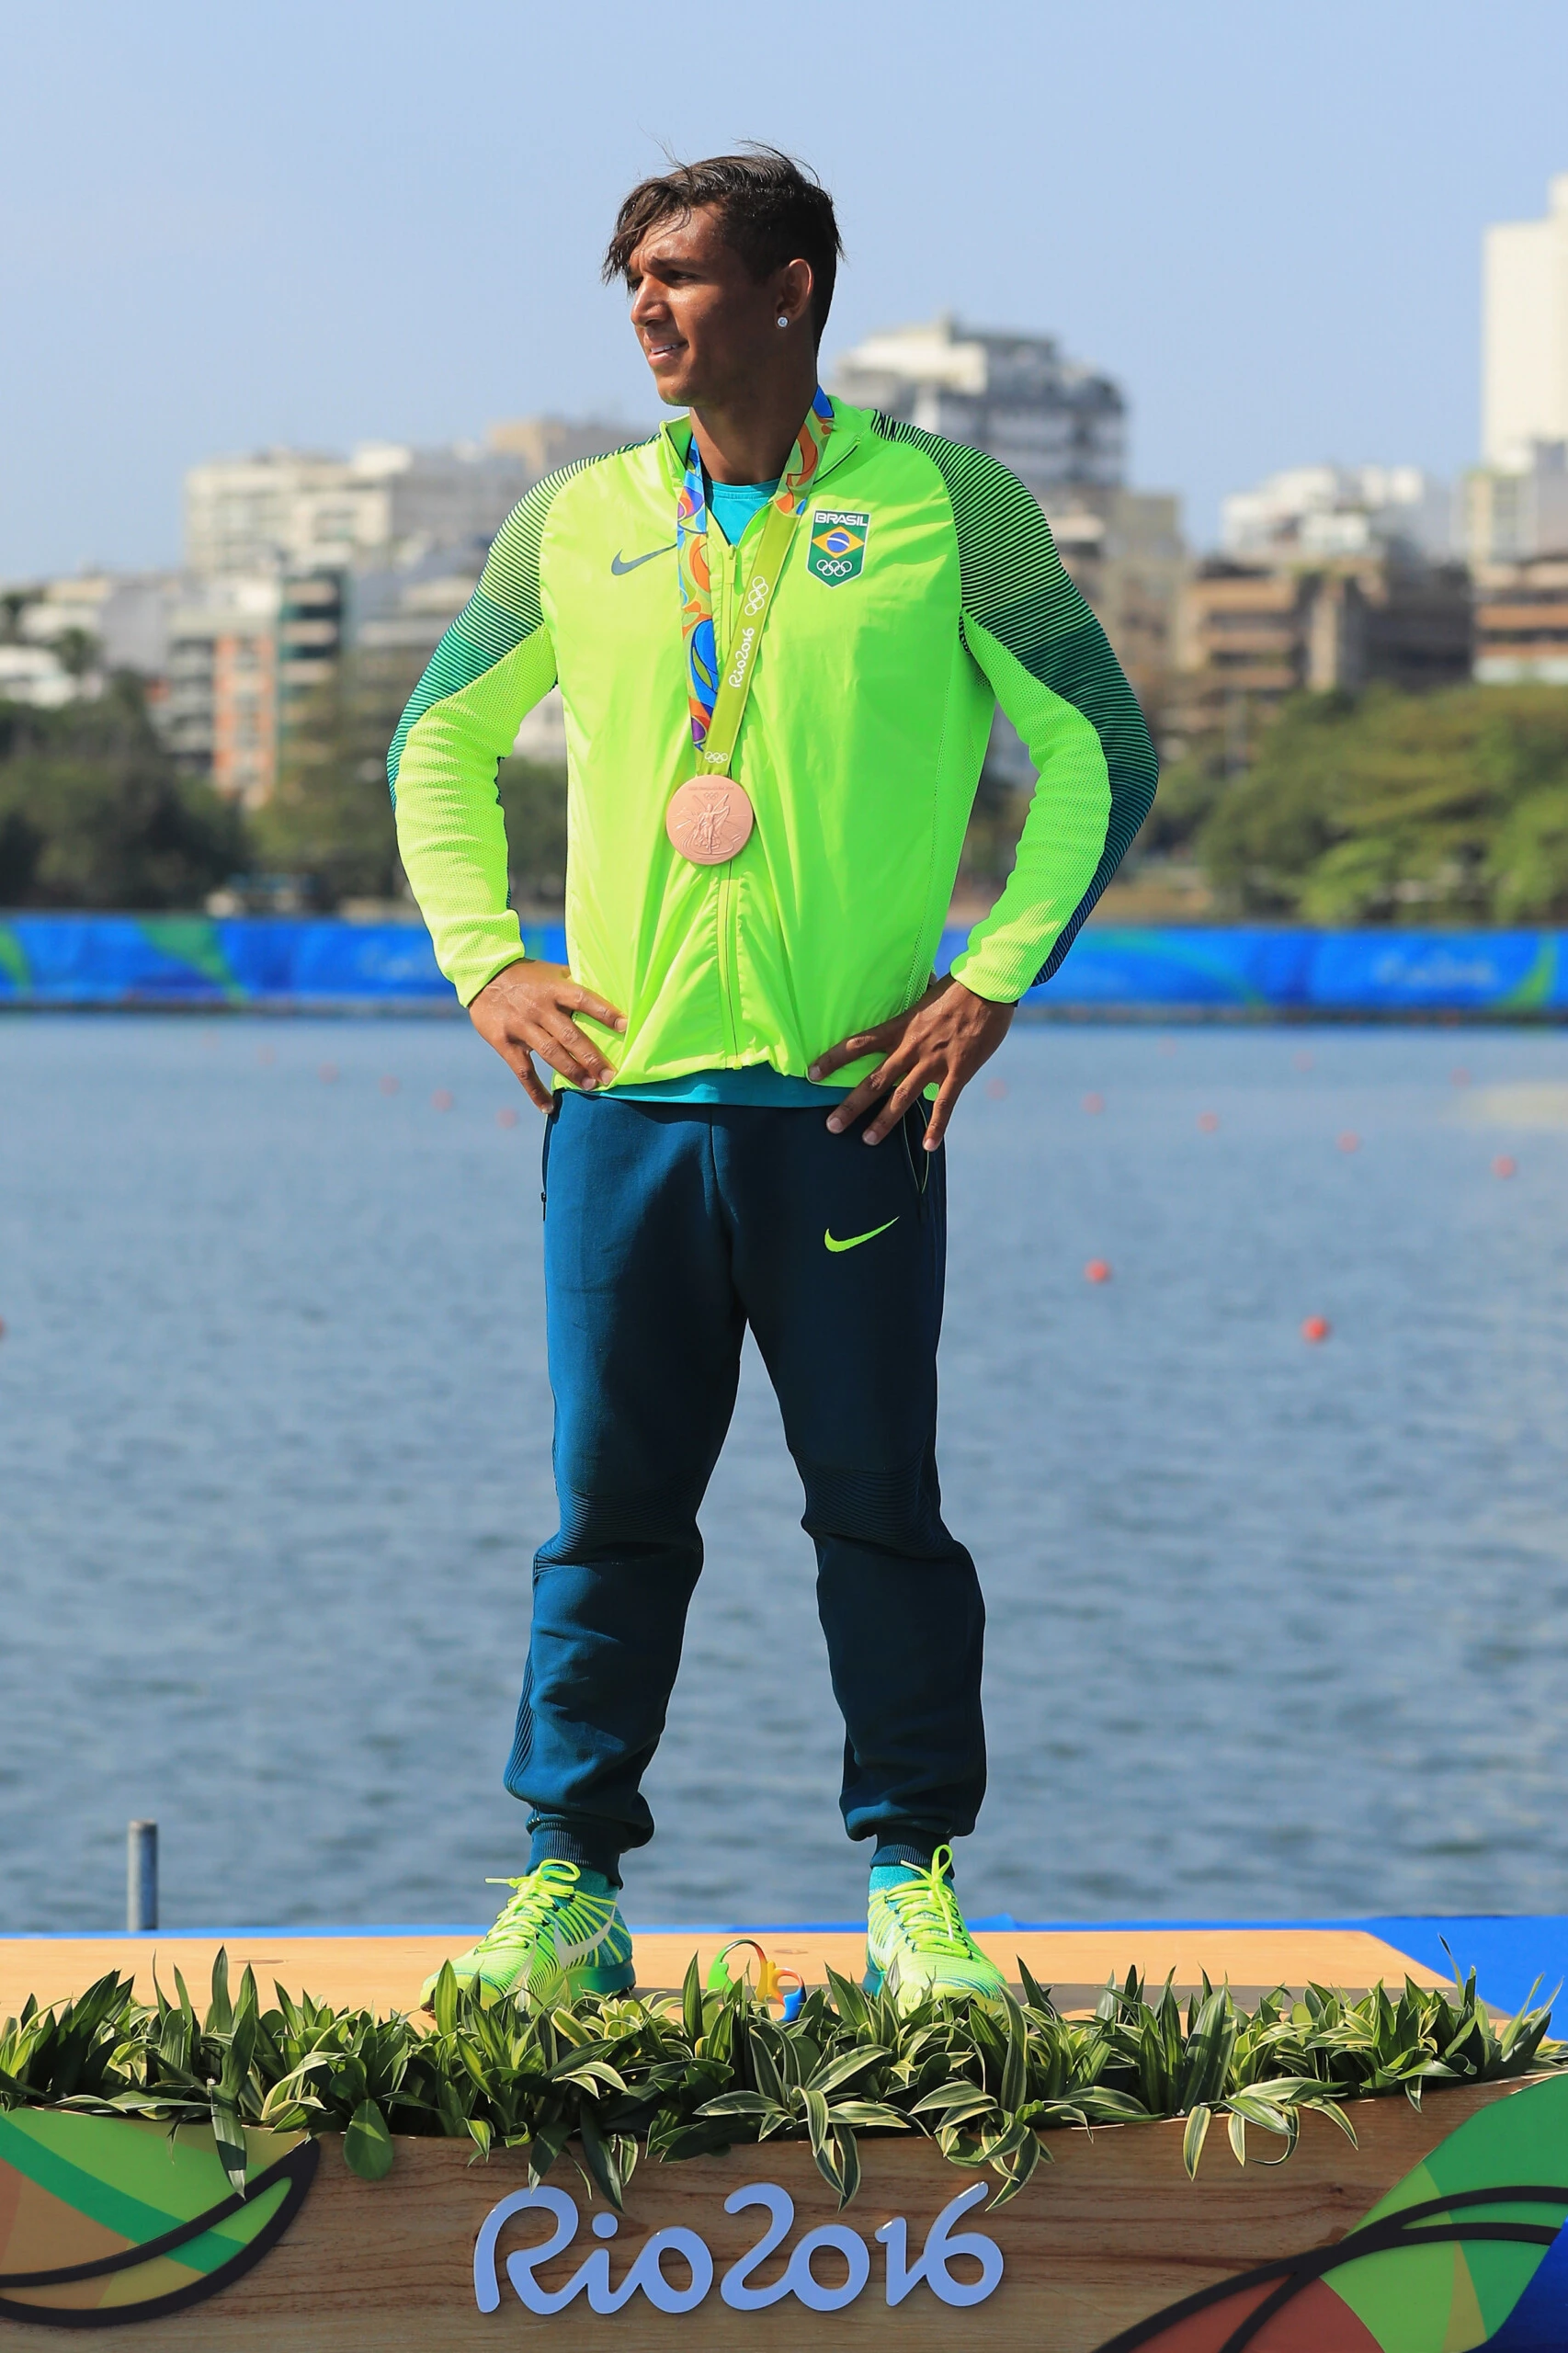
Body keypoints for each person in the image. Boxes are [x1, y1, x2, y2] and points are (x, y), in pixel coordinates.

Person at [389, 148, 1156, 2012]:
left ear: (793, 287)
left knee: (877, 1499)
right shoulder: (570, 523)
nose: (646, 308)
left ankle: (912, 1884)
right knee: (610, 1507)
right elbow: (438, 739)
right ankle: (569, 1880)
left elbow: (1100, 754)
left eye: (680, 275)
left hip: (849, 1115)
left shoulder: (940, 507)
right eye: (630, 280)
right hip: (627, 1113)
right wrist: (488, 965)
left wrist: (988, 980)